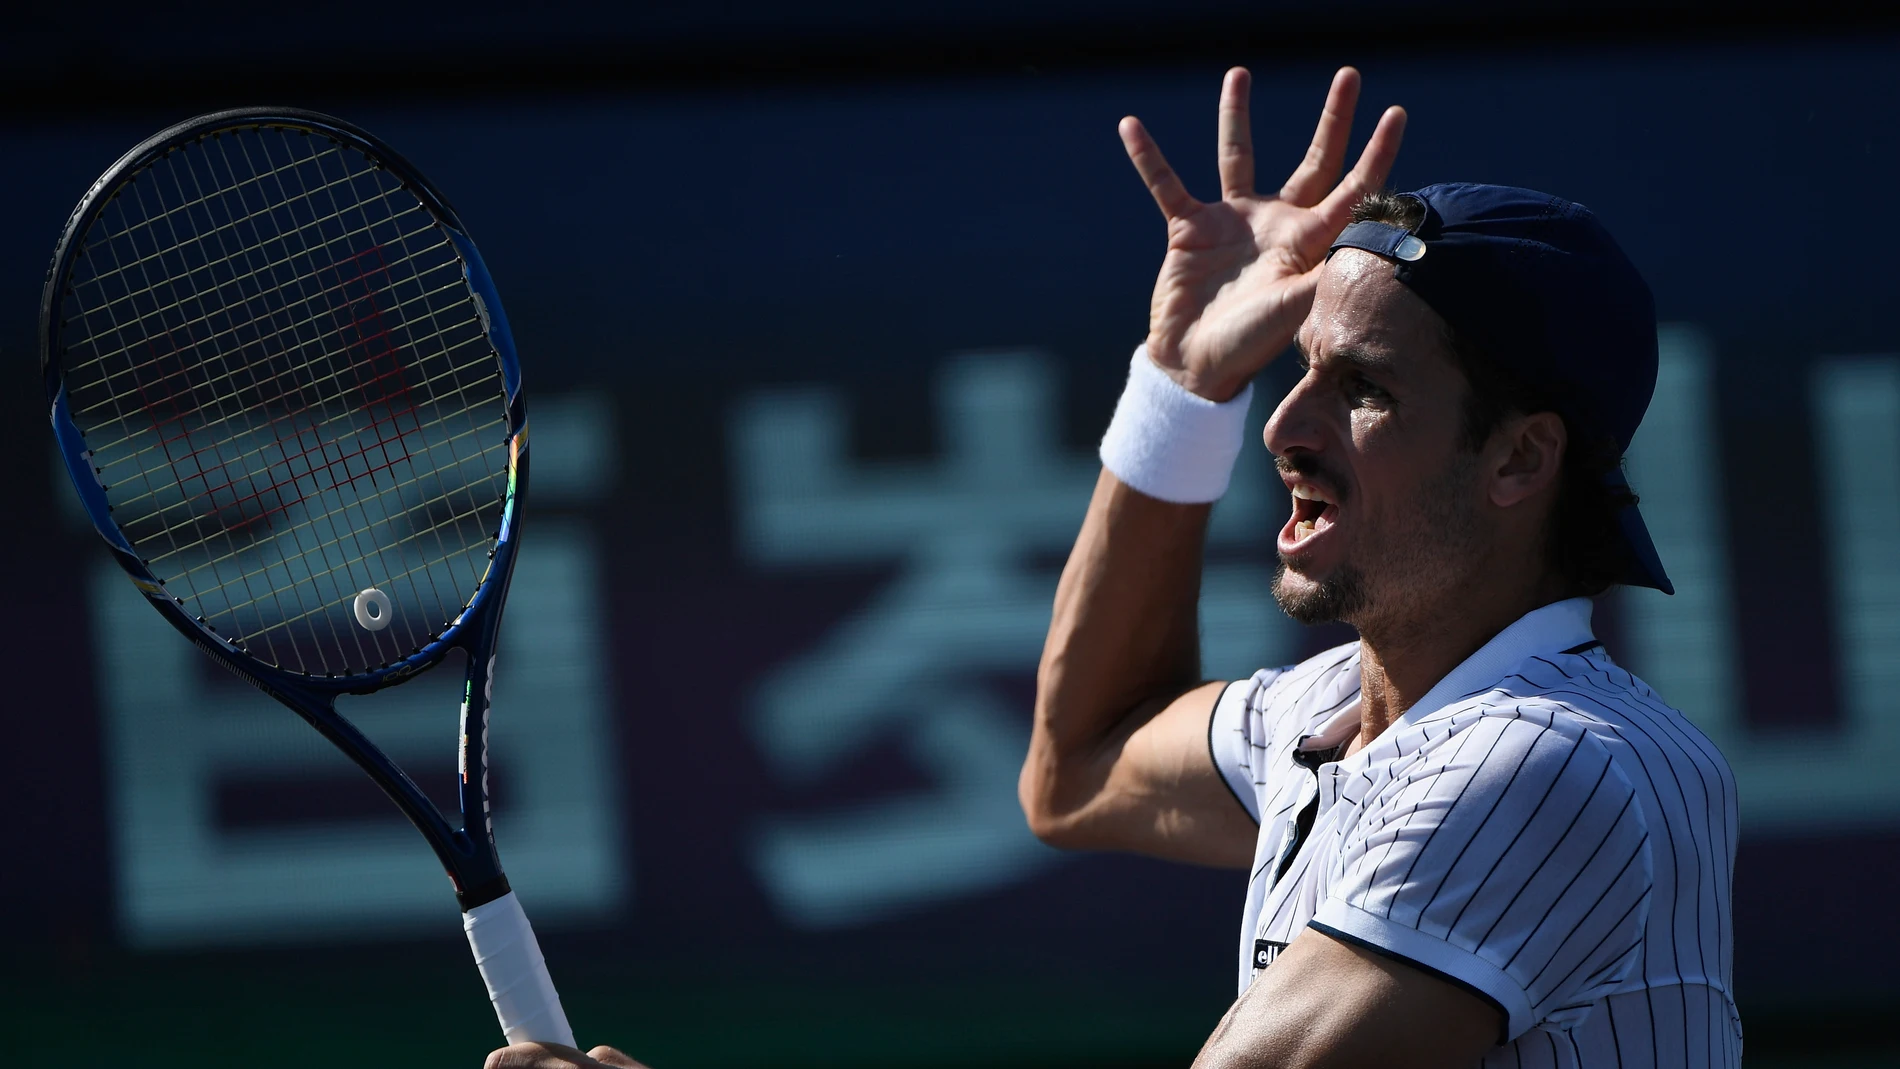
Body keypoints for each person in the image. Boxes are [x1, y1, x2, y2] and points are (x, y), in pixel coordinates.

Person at [484, 65, 1738, 1069]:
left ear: (1518, 459)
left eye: (1360, 389)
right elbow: (1077, 771)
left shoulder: (1548, 765)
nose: (1284, 425)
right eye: (1291, 366)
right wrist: (1184, 384)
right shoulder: (1337, 717)